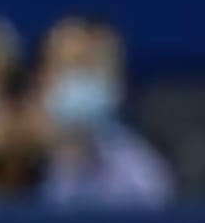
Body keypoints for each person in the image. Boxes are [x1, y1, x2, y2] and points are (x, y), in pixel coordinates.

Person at [26, 16, 175, 210]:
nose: (82, 78)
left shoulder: (141, 175)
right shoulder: (2, 151)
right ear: (41, 75)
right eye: (72, 64)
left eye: (93, 68)